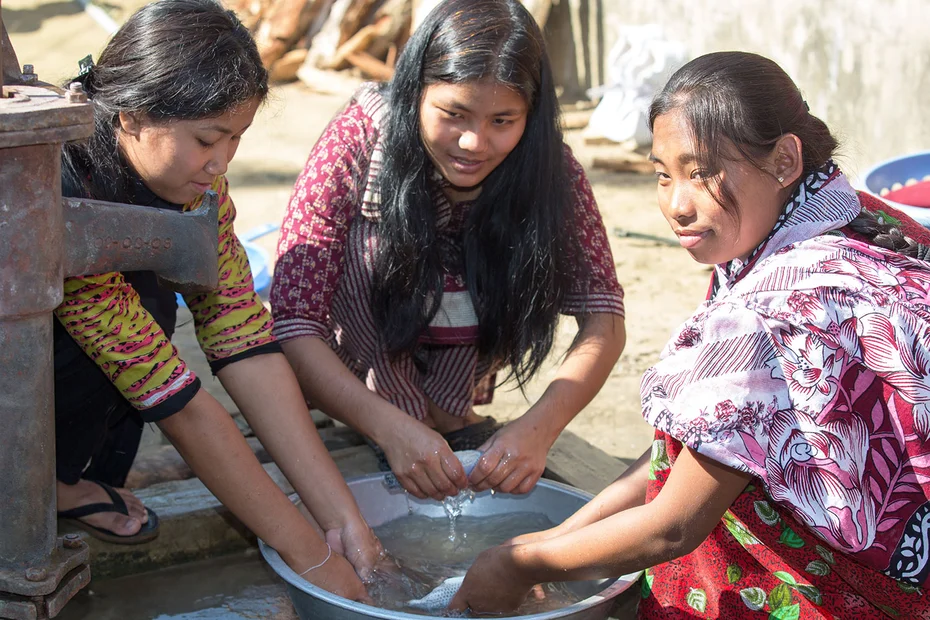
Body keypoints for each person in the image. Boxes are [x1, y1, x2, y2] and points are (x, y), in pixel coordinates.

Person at [448, 51, 930, 618]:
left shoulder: (767, 309)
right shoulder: (868, 221)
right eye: (662, 173)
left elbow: (673, 527)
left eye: (702, 172)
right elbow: (683, 451)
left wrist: (514, 566)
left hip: (850, 594)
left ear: (783, 160)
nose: (676, 205)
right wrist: (543, 543)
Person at [53, 0, 380, 601]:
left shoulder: (195, 183)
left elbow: (241, 334)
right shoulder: (63, 189)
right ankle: (47, 485)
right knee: (134, 333)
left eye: (236, 138)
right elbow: (176, 399)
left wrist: (345, 521)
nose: (222, 162)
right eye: (207, 139)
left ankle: (62, 478)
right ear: (130, 115)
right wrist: (309, 557)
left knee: (153, 308)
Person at [270, 0, 626, 502]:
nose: (473, 142)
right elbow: (294, 318)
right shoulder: (359, 138)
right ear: (416, 93)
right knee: (365, 248)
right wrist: (389, 427)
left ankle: (444, 406)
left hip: (460, 371)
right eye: (453, 114)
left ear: (532, 113)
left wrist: (540, 428)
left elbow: (603, 315)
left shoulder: (550, 168)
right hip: (354, 367)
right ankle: (390, 404)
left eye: (503, 120)